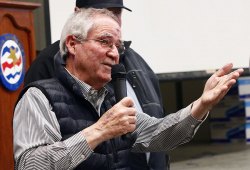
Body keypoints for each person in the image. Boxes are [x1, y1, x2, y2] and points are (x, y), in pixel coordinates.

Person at [13, 8, 244, 170]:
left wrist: (202, 104)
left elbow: (159, 135)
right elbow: (30, 165)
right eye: (105, 42)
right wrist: (99, 131)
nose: (114, 53)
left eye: (118, 46)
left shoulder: (110, 98)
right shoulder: (39, 97)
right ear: (73, 44)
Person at [24, 0, 169, 169]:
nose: (111, 18)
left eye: (116, 13)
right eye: (103, 11)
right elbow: (34, 160)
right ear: (78, 14)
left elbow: (157, 121)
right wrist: (99, 131)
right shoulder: (46, 66)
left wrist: (200, 106)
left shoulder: (134, 58)